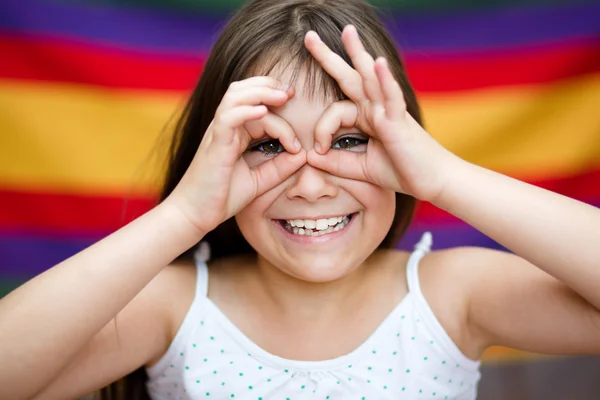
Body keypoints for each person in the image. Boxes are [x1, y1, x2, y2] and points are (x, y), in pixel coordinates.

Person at [1, 0, 599, 399]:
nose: (312, 185)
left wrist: (442, 175)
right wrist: (186, 215)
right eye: (268, 145)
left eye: (349, 140)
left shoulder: (451, 294)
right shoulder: (174, 306)